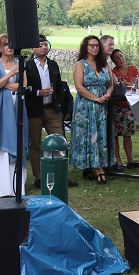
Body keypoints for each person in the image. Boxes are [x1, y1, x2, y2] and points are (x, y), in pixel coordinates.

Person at [24, 35, 78, 189]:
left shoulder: (53, 64)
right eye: (40, 45)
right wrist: (38, 93)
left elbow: (60, 86)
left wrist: (59, 104)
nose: (44, 47)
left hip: (52, 109)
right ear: (32, 49)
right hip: (34, 110)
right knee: (35, 144)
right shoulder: (27, 66)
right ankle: (39, 177)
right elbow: (23, 89)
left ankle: (61, 175)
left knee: (60, 142)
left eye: (45, 44)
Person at [0, 34, 26, 198]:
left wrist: (2, 84)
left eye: (12, 44)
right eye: (6, 44)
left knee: (17, 141)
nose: (10, 48)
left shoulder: (19, 64)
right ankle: (1, 188)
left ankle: (16, 188)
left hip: (17, 108)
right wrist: (9, 76)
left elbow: (23, 86)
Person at [71, 36, 113, 184]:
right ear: (86, 47)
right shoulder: (80, 64)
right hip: (86, 105)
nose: (95, 48)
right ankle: (98, 169)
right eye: (91, 45)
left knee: (101, 135)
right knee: (88, 135)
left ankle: (92, 166)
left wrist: (107, 94)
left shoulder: (104, 64)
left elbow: (110, 84)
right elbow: (79, 87)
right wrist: (95, 98)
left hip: (103, 106)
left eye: (97, 46)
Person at [108, 49, 139, 169]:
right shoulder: (113, 72)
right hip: (117, 106)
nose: (120, 59)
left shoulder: (133, 68)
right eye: (117, 58)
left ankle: (130, 160)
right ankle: (118, 160)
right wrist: (129, 84)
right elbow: (119, 85)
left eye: (121, 56)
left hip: (129, 106)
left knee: (128, 134)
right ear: (113, 61)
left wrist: (127, 83)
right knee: (116, 134)